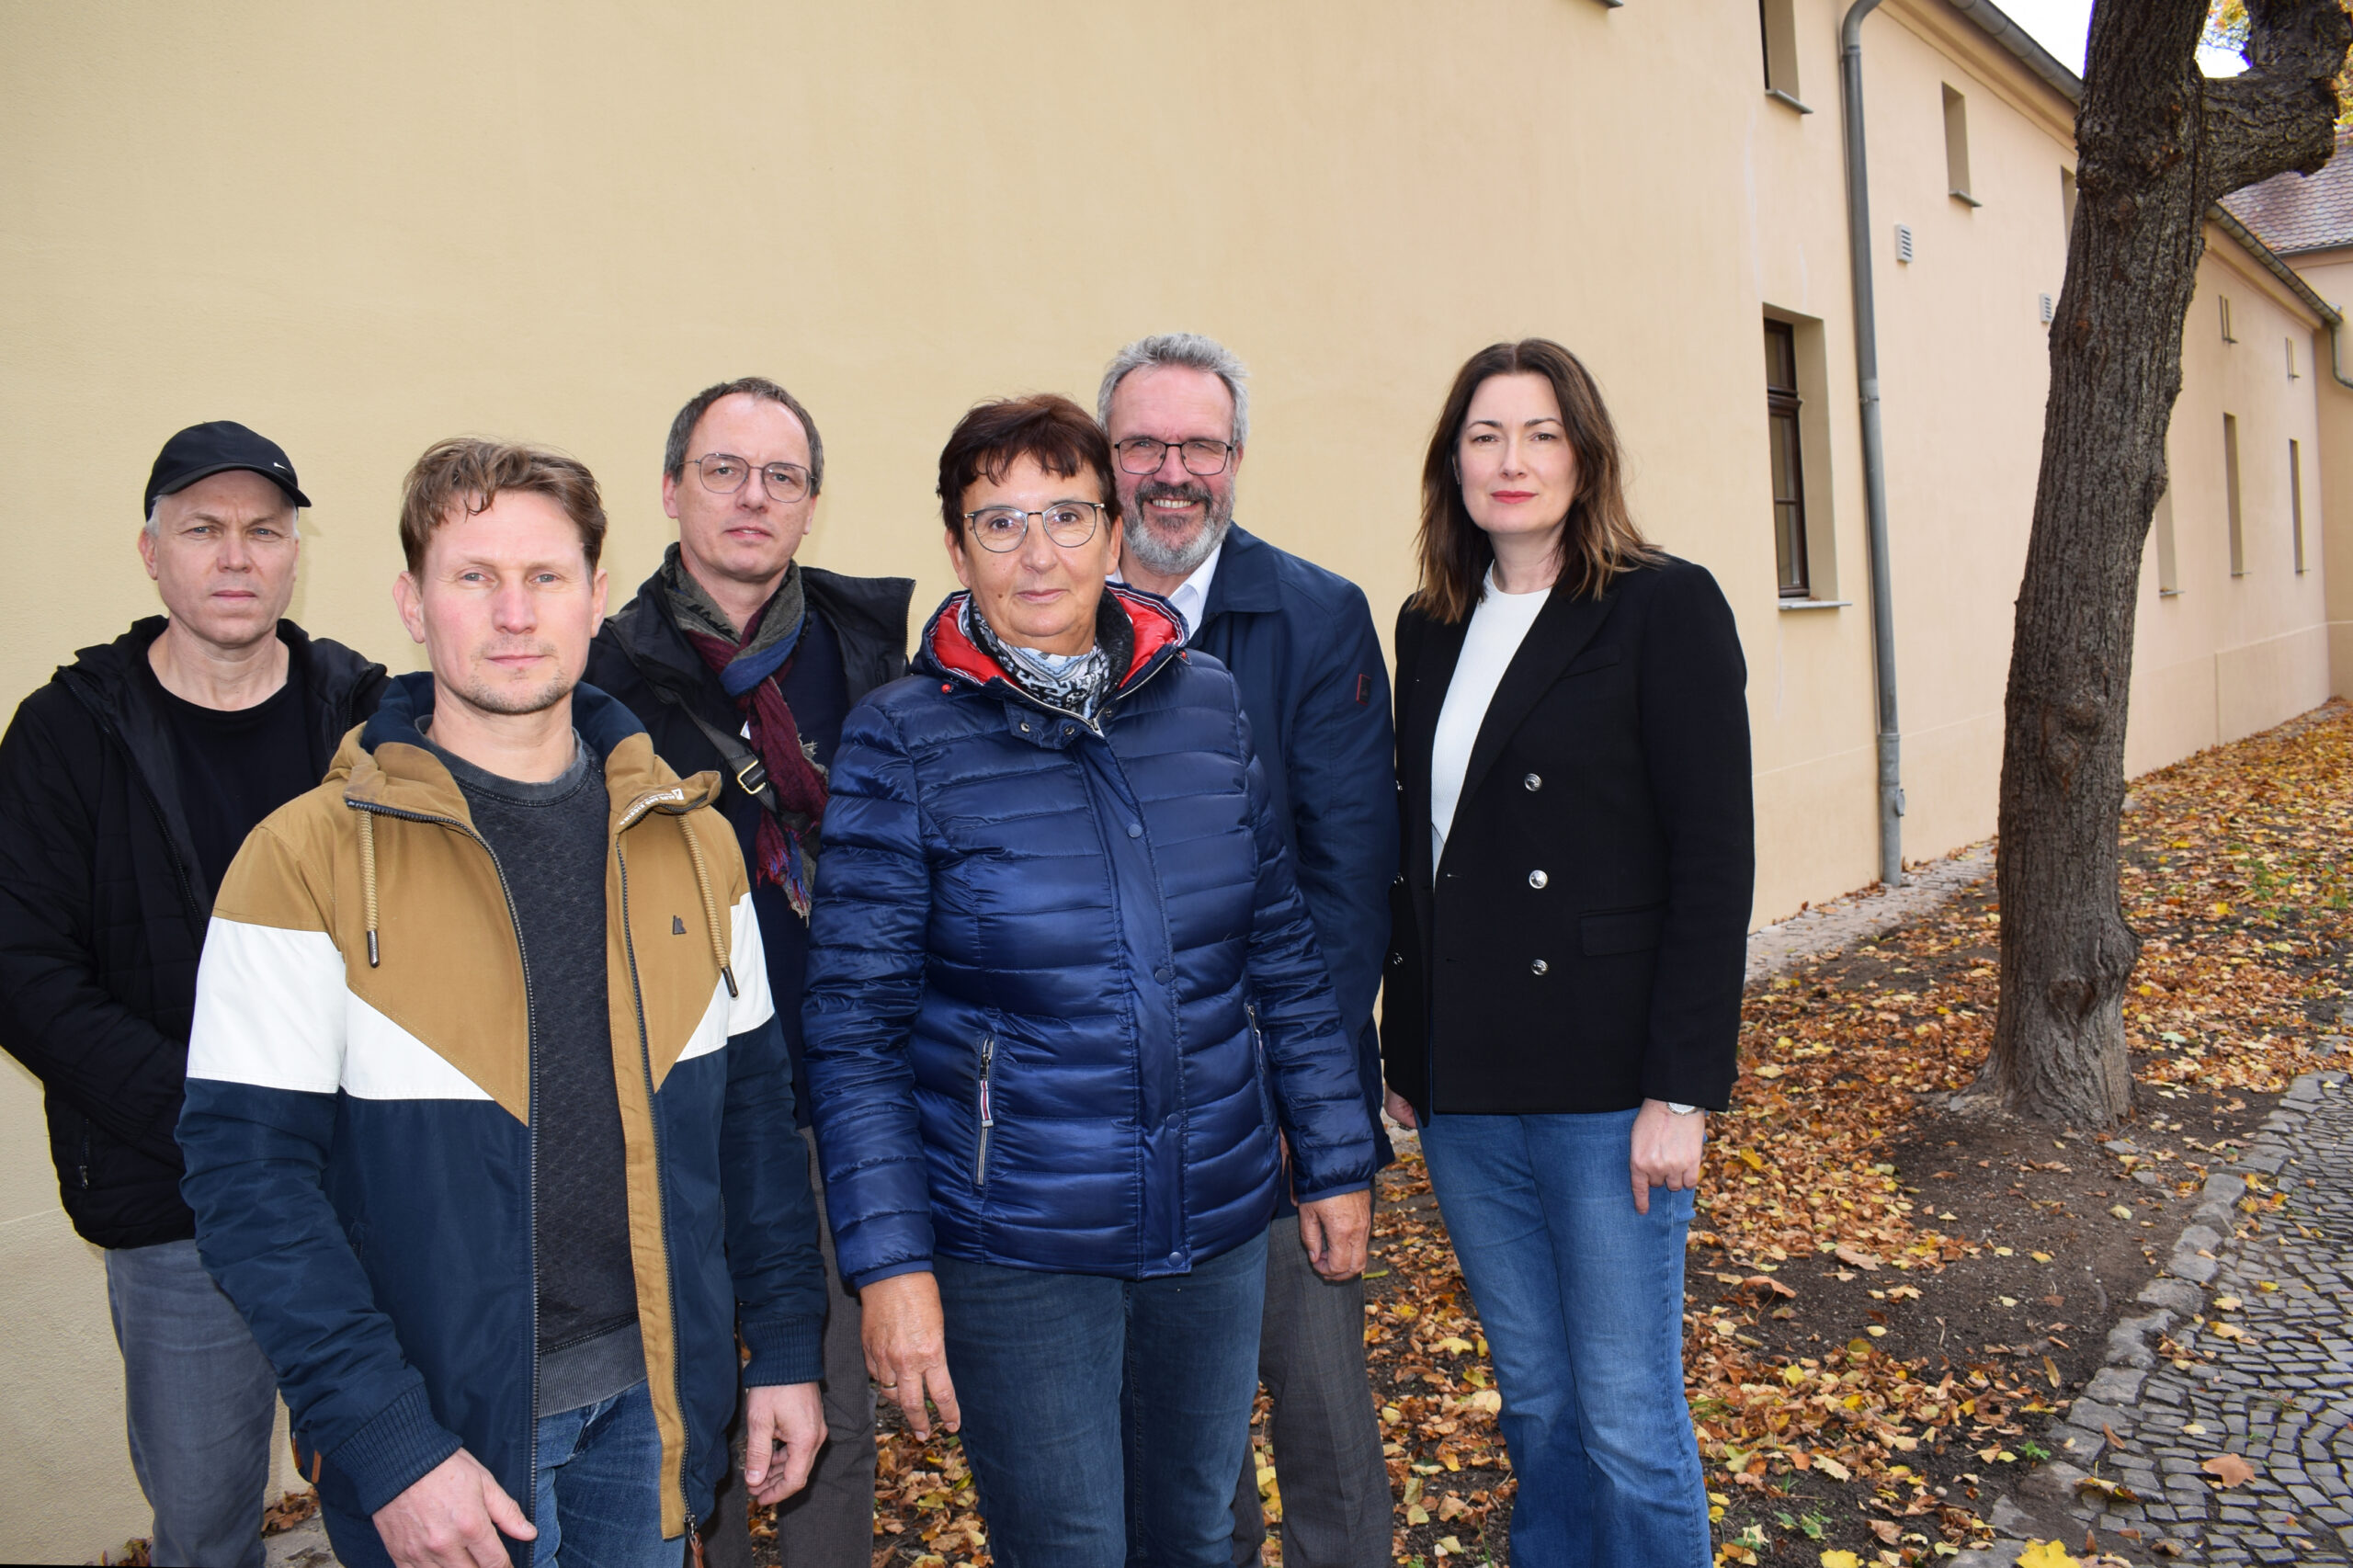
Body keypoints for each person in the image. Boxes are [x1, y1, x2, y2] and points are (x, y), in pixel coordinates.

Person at [176, 438, 829, 1568]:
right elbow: (248, 1182)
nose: (514, 613)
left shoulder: (693, 841)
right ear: (412, 603)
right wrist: (389, 1444)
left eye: (545, 576)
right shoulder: (302, 859)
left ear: (595, 598)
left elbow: (755, 1125)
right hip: (444, 1436)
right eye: (473, 576)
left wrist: (781, 1345)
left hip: (652, 1408)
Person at [801, 393, 1378, 1568]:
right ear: (956, 548)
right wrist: (891, 1264)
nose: (1038, 552)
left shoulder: (1206, 702)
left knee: (1196, 1532)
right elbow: (855, 1029)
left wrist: (1333, 1153)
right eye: (999, 521)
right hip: (1018, 1239)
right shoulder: (901, 737)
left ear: (1114, 533)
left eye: (1066, 515)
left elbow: (1278, 946)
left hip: (1212, 1218)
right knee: (1069, 1543)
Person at [1381, 339, 1753, 1567]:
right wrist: (1404, 1047)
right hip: (1470, 1088)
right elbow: (1420, 852)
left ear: (1585, 457)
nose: (1513, 459)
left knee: (1629, 1416)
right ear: (1453, 464)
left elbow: (1713, 862)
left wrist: (1680, 1089)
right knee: (1537, 1402)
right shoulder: (1430, 624)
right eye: (1485, 435)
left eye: (1540, 433)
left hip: (1608, 1085)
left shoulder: (1661, 605)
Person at [0, 422, 386, 1568]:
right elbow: (24, 971)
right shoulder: (69, 731)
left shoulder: (367, 716)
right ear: (151, 551)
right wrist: (217, 1118)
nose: (234, 555)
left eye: (263, 531)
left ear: (293, 555)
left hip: (364, 1183)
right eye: (202, 528)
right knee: (208, 1521)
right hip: (175, 1198)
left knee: (396, 1492)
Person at [585, 376, 912, 1568]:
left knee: (830, 1391)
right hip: (682, 1086)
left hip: (846, 1083)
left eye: (781, 475)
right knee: (688, 1405)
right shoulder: (602, 674)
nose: (752, 496)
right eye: (723, 469)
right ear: (672, 489)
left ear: (811, 502)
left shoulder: (871, 654)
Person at [1096, 334, 1397, 1568]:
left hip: (1276, 1100)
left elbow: (1346, 882)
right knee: (1179, 1439)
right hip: (1115, 1117)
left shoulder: (1314, 615)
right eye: (1143, 445)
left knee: (1319, 1410)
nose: (1172, 473)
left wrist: (1287, 1094)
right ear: (1104, 457)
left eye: (1200, 446)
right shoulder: (1053, 612)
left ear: (1236, 457)